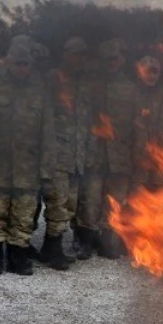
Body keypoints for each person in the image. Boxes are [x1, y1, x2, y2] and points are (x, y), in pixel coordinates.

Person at [0, 39, 50, 276]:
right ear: (8, 62)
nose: (22, 68)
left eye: (26, 64)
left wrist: (46, 167)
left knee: (24, 213)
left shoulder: (39, 92)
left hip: (28, 165)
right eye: (18, 63)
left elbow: (47, 133)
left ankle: (19, 253)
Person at [81, 39, 139, 259]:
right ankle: (86, 240)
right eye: (107, 59)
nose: (111, 63)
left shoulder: (129, 88)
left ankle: (108, 239)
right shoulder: (90, 85)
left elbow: (136, 124)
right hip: (95, 153)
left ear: (120, 60)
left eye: (115, 58)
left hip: (120, 155)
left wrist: (137, 153)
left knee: (115, 201)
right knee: (91, 199)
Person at [41, 36, 92, 266]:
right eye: (74, 53)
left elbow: (87, 122)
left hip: (77, 157)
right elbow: (44, 118)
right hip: (58, 155)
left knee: (70, 204)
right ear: (65, 54)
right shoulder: (53, 79)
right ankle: (51, 249)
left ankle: (53, 247)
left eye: (82, 55)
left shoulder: (84, 84)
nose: (78, 59)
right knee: (57, 203)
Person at [133, 54, 163, 193]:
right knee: (137, 197)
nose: (151, 76)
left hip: (158, 156)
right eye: (147, 72)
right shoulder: (131, 93)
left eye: (154, 72)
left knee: (157, 196)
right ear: (140, 72)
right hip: (136, 157)